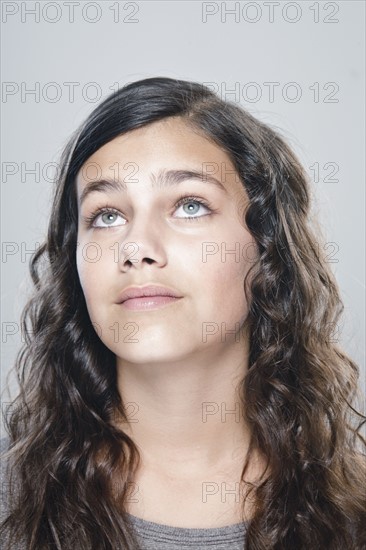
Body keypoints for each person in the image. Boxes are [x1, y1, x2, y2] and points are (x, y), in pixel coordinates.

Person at [0, 76, 365, 550]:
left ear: (267, 249)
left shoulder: (354, 512)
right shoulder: (13, 499)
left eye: (190, 206)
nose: (137, 249)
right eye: (106, 215)